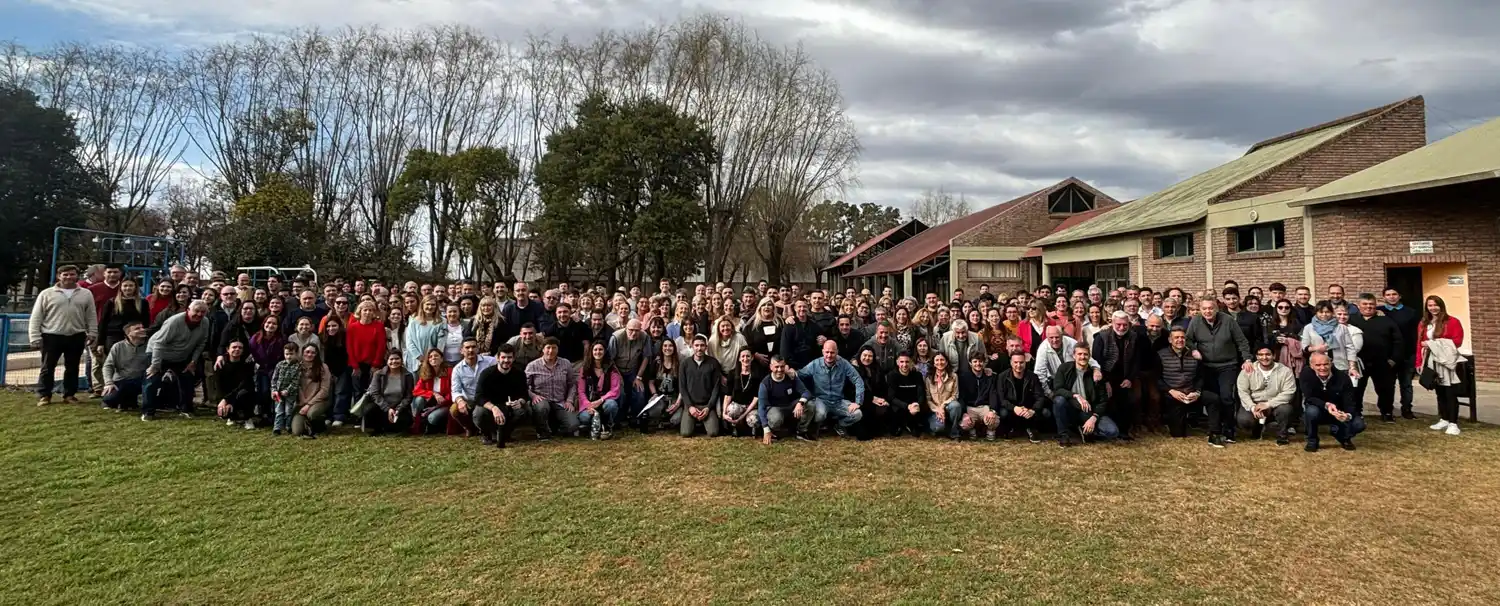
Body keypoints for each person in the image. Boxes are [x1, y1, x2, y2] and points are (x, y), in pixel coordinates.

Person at [29, 265, 98, 406]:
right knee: (48, 367)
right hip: (51, 335)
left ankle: (69, 395)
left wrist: (92, 332)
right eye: (65, 274)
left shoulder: (86, 293)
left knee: (72, 367)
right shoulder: (46, 293)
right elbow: (36, 316)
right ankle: (45, 395)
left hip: (76, 335)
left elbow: (91, 315)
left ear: (77, 276)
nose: (68, 277)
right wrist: (34, 337)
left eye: (72, 274)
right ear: (58, 276)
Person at [1185, 299, 1253, 439]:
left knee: (1227, 397)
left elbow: (1241, 341)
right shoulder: (1196, 321)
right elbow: (1188, 340)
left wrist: (1247, 359)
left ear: (1216, 309)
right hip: (1206, 366)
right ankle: (1216, 428)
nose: (1207, 311)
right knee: (1213, 399)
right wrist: (1193, 350)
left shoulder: (1228, 320)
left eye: (1210, 308)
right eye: (1204, 309)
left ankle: (1229, 428)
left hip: (1227, 365)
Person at [142, 301, 211, 421]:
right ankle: (148, 411)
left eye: (203, 312)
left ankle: (186, 409)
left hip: (181, 356)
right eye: (196, 311)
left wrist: (193, 361)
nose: (199, 314)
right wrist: (155, 365)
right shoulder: (174, 321)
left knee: (188, 379)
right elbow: (159, 343)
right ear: (188, 310)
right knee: (152, 380)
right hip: (159, 352)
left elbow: (201, 343)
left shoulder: (205, 322)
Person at [1157, 327, 1224, 445]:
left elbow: (1200, 377)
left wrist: (1197, 392)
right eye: (1176, 337)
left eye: (1182, 337)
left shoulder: (1194, 355)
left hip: (1191, 393)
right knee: (1178, 434)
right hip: (1173, 395)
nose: (1180, 340)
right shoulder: (1160, 355)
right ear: (1170, 340)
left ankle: (1215, 433)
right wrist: (1171, 391)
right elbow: (1157, 378)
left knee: (1213, 398)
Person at [1346, 293, 1403, 423]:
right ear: (1359, 305)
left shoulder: (1387, 321)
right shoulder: (1351, 320)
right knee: (1356, 389)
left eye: (1371, 304)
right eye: (1365, 304)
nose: (1368, 307)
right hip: (1358, 363)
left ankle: (1387, 412)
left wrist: (1393, 359)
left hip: (1382, 362)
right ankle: (1356, 412)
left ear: (1376, 305)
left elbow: (1398, 342)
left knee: (1385, 389)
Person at [1091, 311, 1149, 440]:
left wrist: (1130, 378)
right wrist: (1105, 381)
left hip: (1125, 376)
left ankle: (1124, 431)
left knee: (1128, 401)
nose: (1122, 328)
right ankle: (1110, 430)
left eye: (1125, 325)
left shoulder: (1134, 337)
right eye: (1118, 324)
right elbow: (1096, 361)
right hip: (1106, 376)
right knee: (1109, 402)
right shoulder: (1101, 337)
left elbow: (1136, 360)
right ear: (1112, 323)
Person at [1052, 343, 1119, 446]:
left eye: (1085, 354)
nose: (1082, 357)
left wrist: (1094, 418)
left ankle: (1084, 430)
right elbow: (1057, 389)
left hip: (1089, 411)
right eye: (1079, 354)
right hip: (1071, 408)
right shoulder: (1064, 368)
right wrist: (1075, 395)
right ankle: (1064, 435)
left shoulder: (1096, 375)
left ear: (1089, 356)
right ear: (1074, 356)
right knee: (1059, 400)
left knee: (1112, 431)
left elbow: (1103, 401)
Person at [1417, 295, 1465, 435]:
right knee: (1439, 392)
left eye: (1435, 305)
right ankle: (1444, 418)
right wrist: (1419, 362)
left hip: (1446, 361)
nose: (1433, 308)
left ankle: (1453, 423)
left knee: (1450, 391)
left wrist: (1432, 343)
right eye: (1430, 305)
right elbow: (1418, 343)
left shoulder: (1452, 321)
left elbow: (1457, 341)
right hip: (1431, 360)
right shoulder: (1424, 323)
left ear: (1441, 305)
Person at [799, 340, 865, 439]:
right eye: (827, 352)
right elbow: (800, 374)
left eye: (832, 352)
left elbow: (858, 380)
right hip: (821, 400)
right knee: (820, 415)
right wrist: (789, 372)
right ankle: (818, 427)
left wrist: (858, 402)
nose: (829, 355)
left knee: (857, 414)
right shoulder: (815, 364)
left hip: (838, 401)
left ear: (837, 352)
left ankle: (839, 425)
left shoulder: (844, 364)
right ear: (823, 352)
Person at [1300, 353, 1363, 452]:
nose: (1323, 368)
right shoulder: (1306, 375)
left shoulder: (1343, 377)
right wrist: (1326, 405)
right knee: (1311, 411)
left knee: (1359, 424)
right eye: (1318, 365)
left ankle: (1343, 437)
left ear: (1331, 364)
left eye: (1326, 364)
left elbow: (1350, 401)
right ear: (1311, 366)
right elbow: (1309, 397)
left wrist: (1347, 415)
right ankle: (1312, 440)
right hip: (1319, 409)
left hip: (1339, 411)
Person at [1236, 345, 1297, 445]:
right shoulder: (1247, 370)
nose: (1264, 357)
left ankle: (1282, 435)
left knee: (1286, 410)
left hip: (1276, 405)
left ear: (1274, 355)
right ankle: (1257, 429)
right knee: (1244, 420)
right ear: (1256, 356)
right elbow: (1243, 392)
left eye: (1268, 354)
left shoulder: (1285, 371)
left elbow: (1289, 392)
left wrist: (1268, 404)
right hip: (1255, 404)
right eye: (1261, 355)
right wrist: (1252, 407)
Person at [473, 344, 531, 447]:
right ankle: (487, 434)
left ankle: (506, 434)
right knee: (479, 413)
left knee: (524, 411)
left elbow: (524, 394)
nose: (506, 360)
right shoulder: (486, 374)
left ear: (514, 358)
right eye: (503, 357)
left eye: (509, 357)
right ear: (498, 358)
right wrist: (493, 408)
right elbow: (478, 396)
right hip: (490, 406)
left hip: (509, 406)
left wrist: (520, 401)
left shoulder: (519, 374)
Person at [525, 337, 577, 440]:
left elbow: (572, 384)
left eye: (554, 348)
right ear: (543, 349)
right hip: (542, 401)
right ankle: (542, 432)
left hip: (560, 401)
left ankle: (556, 430)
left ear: (558, 350)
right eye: (548, 347)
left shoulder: (566, 364)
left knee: (573, 425)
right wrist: (533, 396)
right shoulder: (532, 366)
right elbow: (524, 386)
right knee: (542, 407)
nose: (551, 351)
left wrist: (569, 400)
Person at [1380, 287, 1420, 419]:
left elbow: (1416, 334)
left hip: (1407, 354)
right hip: (1388, 355)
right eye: (1388, 295)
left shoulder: (1411, 312)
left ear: (1399, 296)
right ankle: (1387, 411)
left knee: (1406, 384)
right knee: (1387, 385)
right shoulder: (1380, 311)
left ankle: (1407, 409)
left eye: (1394, 294)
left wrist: (1416, 353)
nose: (1391, 297)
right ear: (1384, 297)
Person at [672, 335, 723, 438]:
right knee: (686, 433)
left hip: (707, 405)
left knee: (713, 433)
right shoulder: (685, 364)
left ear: (706, 347)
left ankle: (703, 421)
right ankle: (693, 421)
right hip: (691, 405)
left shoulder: (713, 363)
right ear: (692, 346)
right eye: (696, 345)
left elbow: (716, 388)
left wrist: (709, 407)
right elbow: (682, 387)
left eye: (702, 345)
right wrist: (690, 407)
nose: (699, 348)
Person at [757, 356, 814, 443]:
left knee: (810, 405)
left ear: (785, 366)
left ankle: (801, 431)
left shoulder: (791, 377)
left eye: (782, 366)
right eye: (776, 367)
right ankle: (773, 432)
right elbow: (761, 407)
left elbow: (806, 392)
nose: (779, 369)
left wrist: (800, 403)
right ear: (771, 367)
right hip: (774, 408)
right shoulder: (765, 383)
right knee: (776, 418)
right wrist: (765, 429)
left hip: (790, 406)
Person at [997, 351, 1048, 443]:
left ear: (1025, 362)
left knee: (1045, 412)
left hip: (1028, 408)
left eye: (1021, 362)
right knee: (1003, 413)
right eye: (1016, 362)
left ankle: (1032, 429)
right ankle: (1009, 429)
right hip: (1012, 409)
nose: (1018, 365)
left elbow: (1040, 397)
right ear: (1011, 363)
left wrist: (1033, 410)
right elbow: (1001, 399)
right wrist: (1014, 408)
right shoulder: (1002, 377)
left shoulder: (1033, 377)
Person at [447, 338, 494, 437]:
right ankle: (469, 428)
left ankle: (486, 429)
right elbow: (455, 390)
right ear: (461, 350)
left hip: (486, 399)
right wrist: (460, 401)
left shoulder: (491, 362)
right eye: (467, 347)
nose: (470, 350)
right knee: (454, 409)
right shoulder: (457, 369)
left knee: (480, 413)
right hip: (469, 400)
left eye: (473, 347)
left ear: (477, 349)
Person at [362, 350, 415, 436]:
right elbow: (375, 394)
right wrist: (387, 409)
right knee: (369, 410)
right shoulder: (378, 374)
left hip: (399, 408)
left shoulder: (408, 375)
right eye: (391, 359)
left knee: (405, 420)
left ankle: (391, 428)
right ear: (387, 361)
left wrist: (398, 409)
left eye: (397, 358)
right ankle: (377, 429)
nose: (394, 361)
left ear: (401, 360)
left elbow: (409, 396)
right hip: (382, 407)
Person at [100, 322, 149, 412]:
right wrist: (109, 383)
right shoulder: (118, 346)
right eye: (137, 329)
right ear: (128, 334)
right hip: (123, 380)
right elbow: (108, 366)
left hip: (143, 380)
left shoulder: (150, 345)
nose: (142, 330)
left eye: (142, 327)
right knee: (110, 399)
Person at [577, 342, 622, 440]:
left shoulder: (612, 368)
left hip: (604, 401)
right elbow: (581, 391)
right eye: (595, 350)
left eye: (600, 349)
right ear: (591, 352)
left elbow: (615, 390)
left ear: (605, 351)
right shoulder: (585, 369)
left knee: (612, 405)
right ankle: (593, 427)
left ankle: (607, 426)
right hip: (589, 402)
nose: (598, 352)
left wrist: (601, 400)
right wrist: (588, 404)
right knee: (585, 417)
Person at [608, 319, 650, 421]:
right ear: (626, 328)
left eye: (637, 330)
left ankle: (636, 417)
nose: (634, 333)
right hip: (616, 369)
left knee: (640, 392)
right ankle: (618, 418)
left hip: (633, 370)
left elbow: (646, 357)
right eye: (631, 330)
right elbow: (610, 360)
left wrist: (639, 377)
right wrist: (619, 376)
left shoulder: (644, 337)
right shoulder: (616, 337)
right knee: (620, 393)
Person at [289, 344, 332, 439]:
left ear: (316, 354)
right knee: (297, 432)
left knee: (312, 414)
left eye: (313, 352)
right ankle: (307, 425)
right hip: (301, 403)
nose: (309, 354)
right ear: (303, 353)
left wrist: (308, 404)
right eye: (307, 352)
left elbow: (324, 390)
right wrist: (302, 403)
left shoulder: (323, 367)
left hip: (319, 401)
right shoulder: (296, 367)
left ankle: (320, 426)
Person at [642, 338, 683, 433]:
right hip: (660, 397)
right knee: (651, 413)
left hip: (675, 397)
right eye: (665, 346)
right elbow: (651, 382)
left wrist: (677, 403)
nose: (667, 348)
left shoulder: (679, 364)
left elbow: (683, 386)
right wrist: (654, 394)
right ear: (661, 348)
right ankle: (662, 420)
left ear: (674, 348)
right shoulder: (656, 363)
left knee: (676, 420)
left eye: (670, 346)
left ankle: (667, 422)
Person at [956, 353, 1001, 441]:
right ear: (970, 363)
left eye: (980, 361)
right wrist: (964, 413)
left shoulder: (990, 377)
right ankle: (972, 429)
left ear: (984, 363)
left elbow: (993, 394)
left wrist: (992, 410)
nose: (978, 364)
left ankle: (990, 430)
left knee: (994, 420)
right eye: (975, 361)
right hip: (970, 407)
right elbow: (961, 397)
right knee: (965, 424)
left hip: (984, 407)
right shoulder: (964, 377)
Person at [723, 348, 765, 438]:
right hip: (738, 404)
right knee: (731, 410)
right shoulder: (733, 373)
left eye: (748, 356)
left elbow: (756, 398)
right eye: (743, 356)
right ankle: (735, 427)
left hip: (752, 406)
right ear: (739, 358)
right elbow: (728, 395)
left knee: (754, 420)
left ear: (752, 358)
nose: (745, 359)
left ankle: (752, 429)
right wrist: (724, 412)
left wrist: (743, 416)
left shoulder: (758, 375)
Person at [885, 351, 928, 437]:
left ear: (911, 362)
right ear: (897, 362)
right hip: (899, 406)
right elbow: (891, 397)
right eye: (902, 362)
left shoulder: (917, 375)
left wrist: (917, 404)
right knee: (894, 433)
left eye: (907, 362)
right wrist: (907, 406)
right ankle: (900, 424)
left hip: (914, 406)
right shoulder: (892, 375)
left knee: (917, 433)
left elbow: (921, 393)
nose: (904, 365)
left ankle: (911, 424)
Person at [850, 345, 888, 440]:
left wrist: (883, 399)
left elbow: (883, 387)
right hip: (860, 401)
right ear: (860, 355)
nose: (867, 358)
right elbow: (853, 390)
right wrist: (872, 398)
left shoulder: (878, 369)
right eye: (865, 355)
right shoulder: (853, 369)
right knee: (863, 435)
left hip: (876, 401)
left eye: (870, 356)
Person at [411, 349, 453, 434]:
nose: (433, 358)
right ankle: (418, 423)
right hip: (430, 402)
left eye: (436, 356)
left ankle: (434, 425)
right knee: (418, 400)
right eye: (430, 357)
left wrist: (438, 405)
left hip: (445, 403)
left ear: (441, 359)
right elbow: (416, 391)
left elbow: (453, 391)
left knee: (432, 418)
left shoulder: (449, 372)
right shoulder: (425, 372)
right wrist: (434, 394)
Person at [923, 352, 959, 439]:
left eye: (942, 360)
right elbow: (928, 399)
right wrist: (937, 410)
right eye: (937, 360)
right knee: (938, 428)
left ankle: (954, 433)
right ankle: (935, 427)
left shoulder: (953, 376)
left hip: (947, 407)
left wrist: (943, 406)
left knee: (956, 405)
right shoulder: (928, 378)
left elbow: (955, 395)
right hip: (934, 409)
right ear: (934, 363)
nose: (940, 362)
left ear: (946, 362)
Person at [270, 343, 303, 435]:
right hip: (278, 393)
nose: (288, 356)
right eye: (286, 354)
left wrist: (288, 391)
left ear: (296, 354)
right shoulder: (280, 365)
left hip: (290, 394)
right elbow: (274, 378)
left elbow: (296, 381)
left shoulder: (298, 367)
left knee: (289, 410)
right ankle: (277, 428)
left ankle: (288, 426)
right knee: (279, 411)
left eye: (291, 354)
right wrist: (274, 390)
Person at [780, 301, 822, 369]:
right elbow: (784, 348)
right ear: (795, 308)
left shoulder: (814, 325)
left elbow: (817, 345)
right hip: (793, 365)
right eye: (799, 306)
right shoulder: (789, 325)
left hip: (811, 365)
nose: (802, 309)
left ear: (808, 308)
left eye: (804, 306)